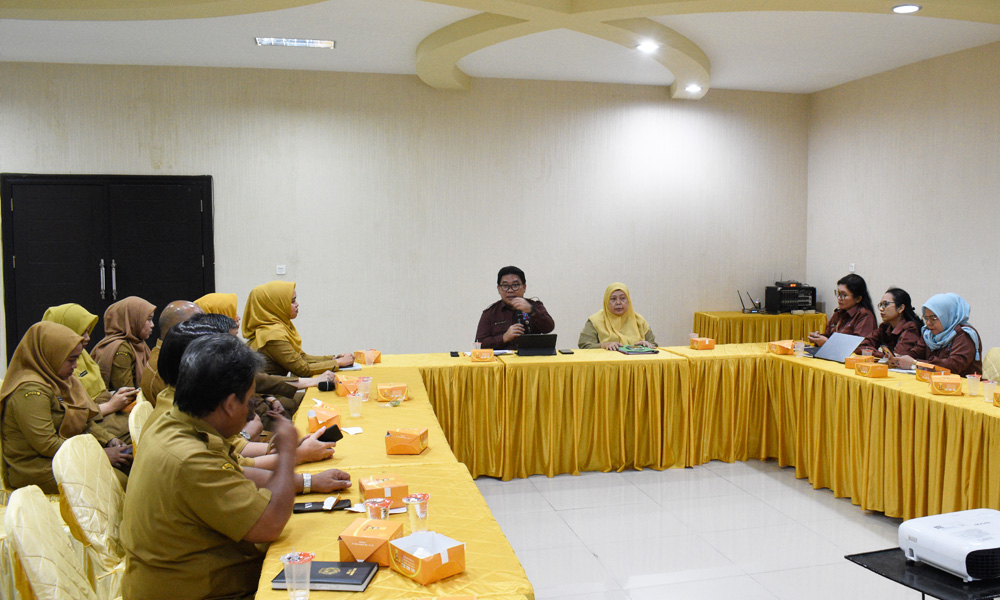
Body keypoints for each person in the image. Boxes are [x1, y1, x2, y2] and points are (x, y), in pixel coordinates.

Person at [0, 322, 131, 494]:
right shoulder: (30, 392)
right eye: (71, 359)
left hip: (61, 456)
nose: (76, 366)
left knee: (130, 466)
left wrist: (109, 440)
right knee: (116, 482)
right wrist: (99, 455)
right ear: (50, 355)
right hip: (36, 467)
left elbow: (81, 420)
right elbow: (46, 444)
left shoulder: (58, 379)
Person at [42, 303, 140, 441]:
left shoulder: (82, 355)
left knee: (145, 423)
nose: (87, 338)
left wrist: (115, 395)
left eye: (88, 331)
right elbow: (70, 417)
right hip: (92, 419)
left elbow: (96, 391)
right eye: (82, 332)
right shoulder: (57, 366)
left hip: (98, 413)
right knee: (139, 432)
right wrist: (110, 406)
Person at [242, 281, 353, 377]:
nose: (297, 304)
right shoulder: (272, 335)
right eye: (292, 301)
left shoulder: (280, 327)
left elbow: (301, 358)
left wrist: (333, 358)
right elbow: (302, 369)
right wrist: (339, 363)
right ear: (275, 305)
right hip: (268, 397)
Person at [891, 293, 983, 376]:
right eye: (926, 318)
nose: (928, 323)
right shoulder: (929, 333)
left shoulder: (964, 335)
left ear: (948, 315)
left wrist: (915, 364)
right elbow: (917, 352)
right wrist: (898, 357)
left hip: (962, 388)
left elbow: (953, 366)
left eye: (933, 318)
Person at [139, 300, 203, 406]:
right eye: (199, 325)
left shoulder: (175, 355)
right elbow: (187, 410)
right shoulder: (163, 368)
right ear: (181, 330)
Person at [475, 266, 555, 350]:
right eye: (505, 286)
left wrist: (532, 311)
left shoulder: (534, 306)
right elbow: (479, 344)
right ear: (499, 289)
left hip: (530, 360)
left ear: (524, 287)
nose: (510, 290)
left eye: (515, 285)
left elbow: (549, 328)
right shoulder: (491, 313)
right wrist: (503, 338)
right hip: (502, 362)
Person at [91, 296, 157, 391]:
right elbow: (127, 392)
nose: (152, 325)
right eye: (148, 319)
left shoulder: (138, 344)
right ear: (132, 320)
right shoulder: (121, 349)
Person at [579, 283, 657, 351]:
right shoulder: (595, 321)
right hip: (607, 365)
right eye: (613, 299)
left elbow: (654, 345)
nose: (618, 302)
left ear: (628, 301)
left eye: (622, 298)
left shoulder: (639, 320)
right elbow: (584, 346)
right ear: (606, 301)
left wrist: (647, 345)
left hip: (636, 365)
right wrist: (603, 345)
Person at [808, 274, 877, 347]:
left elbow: (858, 346)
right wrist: (818, 337)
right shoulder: (838, 313)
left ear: (858, 299)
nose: (839, 298)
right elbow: (828, 336)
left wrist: (827, 343)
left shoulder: (865, 316)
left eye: (844, 295)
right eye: (838, 293)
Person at [858, 288, 923, 358]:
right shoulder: (885, 326)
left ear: (901, 308)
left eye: (886, 304)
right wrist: (884, 356)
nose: (881, 309)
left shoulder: (911, 328)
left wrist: (876, 354)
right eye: (880, 305)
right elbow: (861, 346)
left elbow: (897, 357)